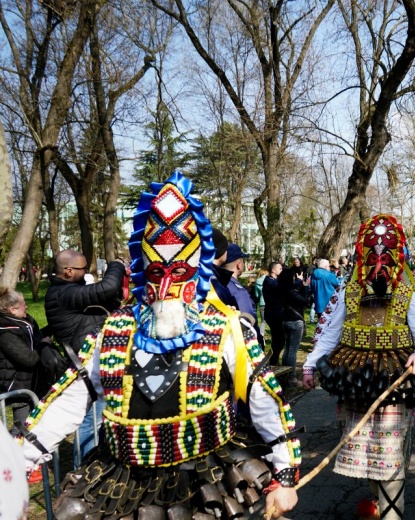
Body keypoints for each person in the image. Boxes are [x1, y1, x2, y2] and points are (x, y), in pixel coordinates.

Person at [20, 172, 301, 518]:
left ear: (198, 266)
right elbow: (68, 400)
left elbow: (265, 400)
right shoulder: (114, 330)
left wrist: (285, 475)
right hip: (124, 486)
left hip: (205, 484)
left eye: (179, 270)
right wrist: (17, 462)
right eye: (157, 271)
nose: (167, 281)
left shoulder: (227, 328)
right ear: (141, 266)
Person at [302, 214, 415, 520]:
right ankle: (377, 503)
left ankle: (391, 514)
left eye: (386, 257)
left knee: (390, 458)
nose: (379, 264)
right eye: (372, 256)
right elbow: (328, 335)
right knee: (364, 455)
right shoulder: (348, 293)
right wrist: (310, 366)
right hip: (354, 384)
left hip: (394, 384)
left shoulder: (407, 296)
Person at [44, 248, 126, 463]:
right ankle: (82, 472)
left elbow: (110, 298)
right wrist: (116, 264)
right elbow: (108, 287)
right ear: (69, 271)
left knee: (98, 419)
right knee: (90, 421)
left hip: (94, 364)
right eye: (83, 268)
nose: (86, 272)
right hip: (85, 367)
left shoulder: (72, 292)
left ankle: (93, 465)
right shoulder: (62, 294)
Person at [0, 289, 61, 426]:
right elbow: (29, 359)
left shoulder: (22, 322)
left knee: (35, 424)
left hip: (32, 383)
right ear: (13, 309)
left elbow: (34, 339)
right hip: (19, 387)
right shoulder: (5, 332)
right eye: (23, 304)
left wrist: (54, 327)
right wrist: (43, 345)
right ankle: (13, 446)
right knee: (24, 428)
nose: (26, 306)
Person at [279, 268, 310, 386]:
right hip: (295, 321)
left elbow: (293, 286)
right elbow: (304, 300)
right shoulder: (291, 291)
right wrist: (306, 287)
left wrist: (299, 281)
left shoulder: (282, 288)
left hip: (285, 320)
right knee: (292, 350)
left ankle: (284, 373)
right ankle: (291, 376)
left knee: (287, 349)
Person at [225, 243, 260, 339]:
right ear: (239, 265)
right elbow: (248, 319)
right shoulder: (238, 290)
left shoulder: (218, 283)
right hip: (242, 341)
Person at [263, 261, 285, 365]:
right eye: (280, 269)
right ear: (273, 270)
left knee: (279, 340)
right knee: (278, 340)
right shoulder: (269, 281)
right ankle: (272, 361)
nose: (282, 271)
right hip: (273, 314)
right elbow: (280, 288)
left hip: (276, 313)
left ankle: (273, 360)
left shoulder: (274, 281)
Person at [254, 267, 269, 336]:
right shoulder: (269, 280)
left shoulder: (257, 281)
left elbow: (257, 295)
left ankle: (261, 334)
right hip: (270, 302)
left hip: (262, 302)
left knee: (263, 321)